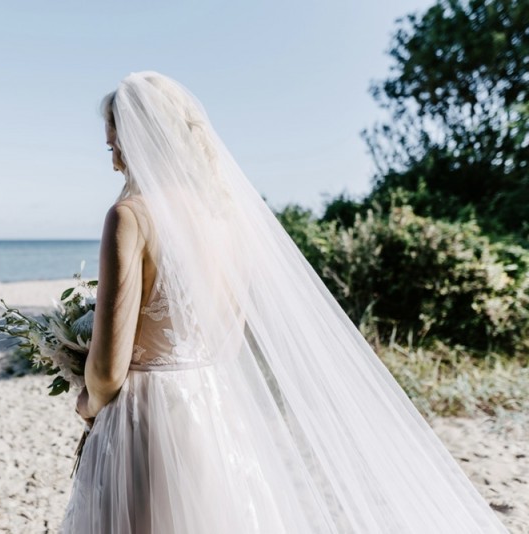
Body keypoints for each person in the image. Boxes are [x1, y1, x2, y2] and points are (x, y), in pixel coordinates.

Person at [61, 72, 507, 533]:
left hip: (145, 420)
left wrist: (88, 404)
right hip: (211, 411)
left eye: (114, 147)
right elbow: (227, 338)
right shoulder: (226, 217)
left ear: (138, 140)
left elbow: (108, 371)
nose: (115, 163)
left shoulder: (130, 217)